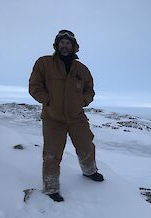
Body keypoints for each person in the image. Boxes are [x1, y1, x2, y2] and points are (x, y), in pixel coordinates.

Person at [29, 29, 104, 202]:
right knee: (52, 154)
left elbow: (89, 90)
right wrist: (48, 100)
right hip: (53, 118)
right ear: (57, 45)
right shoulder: (44, 63)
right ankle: (51, 187)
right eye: (62, 42)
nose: (65, 46)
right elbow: (34, 86)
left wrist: (82, 101)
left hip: (77, 116)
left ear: (73, 46)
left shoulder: (81, 69)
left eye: (68, 43)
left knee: (86, 145)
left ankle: (89, 171)